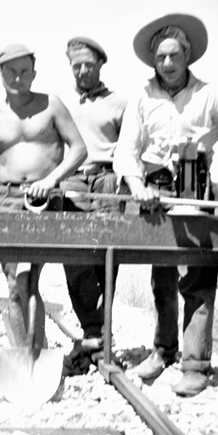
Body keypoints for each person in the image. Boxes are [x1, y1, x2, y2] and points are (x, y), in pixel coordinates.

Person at [113, 13, 218, 396]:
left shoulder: (209, 95)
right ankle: (163, 350)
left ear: (187, 56)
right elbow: (126, 149)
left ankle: (196, 364)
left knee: (199, 282)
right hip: (155, 193)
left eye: (174, 55)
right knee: (162, 279)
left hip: (196, 189)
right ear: (153, 60)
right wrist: (137, 184)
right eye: (161, 57)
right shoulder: (141, 96)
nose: (167, 63)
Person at [0, 43, 87, 353]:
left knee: (29, 279)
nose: (18, 77)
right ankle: (24, 351)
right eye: (10, 70)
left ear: (34, 73)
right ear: (0, 74)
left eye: (24, 70)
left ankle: (35, 350)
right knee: (13, 282)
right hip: (8, 201)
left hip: (44, 201)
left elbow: (79, 149)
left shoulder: (51, 105)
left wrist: (51, 181)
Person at [58, 37, 129, 376]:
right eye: (76, 65)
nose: (83, 71)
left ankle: (100, 332)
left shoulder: (120, 104)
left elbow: (130, 150)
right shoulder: (61, 105)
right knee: (74, 257)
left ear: (101, 64)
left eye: (88, 64)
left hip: (107, 182)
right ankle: (92, 329)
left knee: (106, 256)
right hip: (72, 181)